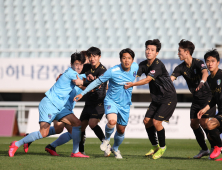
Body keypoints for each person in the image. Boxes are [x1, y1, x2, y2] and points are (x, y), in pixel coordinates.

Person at [8, 52, 89, 158]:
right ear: (71, 64)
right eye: (77, 64)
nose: (79, 67)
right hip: (50, 104)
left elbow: (84, 81)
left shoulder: (77, 74)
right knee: (43, 133)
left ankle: (75, 152)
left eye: (81, 64)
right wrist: (97, 85)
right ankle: (16, 144)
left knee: (77, 124)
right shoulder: (71, 73)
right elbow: (82, 83)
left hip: (60, 107)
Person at [74, 48, 139, 159]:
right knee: (111, 121)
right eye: (124, 58)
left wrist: (135, 83)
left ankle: (115, 148)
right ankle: (105, 141)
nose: (126, 60)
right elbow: (96, 82)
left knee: (121, 130)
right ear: (120, 59)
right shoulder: (112, 71)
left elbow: (147, 74)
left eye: (129, 58)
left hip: (123, 104)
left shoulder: (136, 67)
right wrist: (82, 93)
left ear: (132, 60)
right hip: (110, 101)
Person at [124, 39, 177, 159]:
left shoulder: (157, 64)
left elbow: (147, 80)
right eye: (147, 49)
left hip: (168, 97)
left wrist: (132, 85)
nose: (149, 51)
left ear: (157, 53)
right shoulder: (143, 64)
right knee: (147, 121)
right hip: (157, 98)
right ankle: (155, 146)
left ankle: (163, 148)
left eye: (152, 50)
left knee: (156, 122)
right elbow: (133, 75)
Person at [171, 40, 216, 159]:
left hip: (207, 97)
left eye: (179, 51)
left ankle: (214, 147)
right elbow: (172, 78)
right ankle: (204, 149)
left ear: (187, 52)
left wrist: (202, 82)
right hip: (196, 99)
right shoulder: (180, 67)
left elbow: (205, 72)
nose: (178, 54)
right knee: (194, 123)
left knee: (205, 123)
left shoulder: (198, 62)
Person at [73, 47, 107, 154]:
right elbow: (75, 70)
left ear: (99, 57)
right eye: (90, 56)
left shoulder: (102, 70)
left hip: (99, 102)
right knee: (81, 127)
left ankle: (106, 144)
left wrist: (81, 83)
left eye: (94, 56)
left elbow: (95, 86)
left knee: (92, 123)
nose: (92, 58)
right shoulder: (87, 67)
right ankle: (81, 152)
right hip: (88, 102)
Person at [197, 49, 222, 161]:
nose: (210, 63)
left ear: (218, 62)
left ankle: (219, 147)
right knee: (210, 131)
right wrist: (204, 109)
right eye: (208, 61)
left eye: (213, 61)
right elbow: (213, 100)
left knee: (210, 125)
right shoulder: (210, 79)